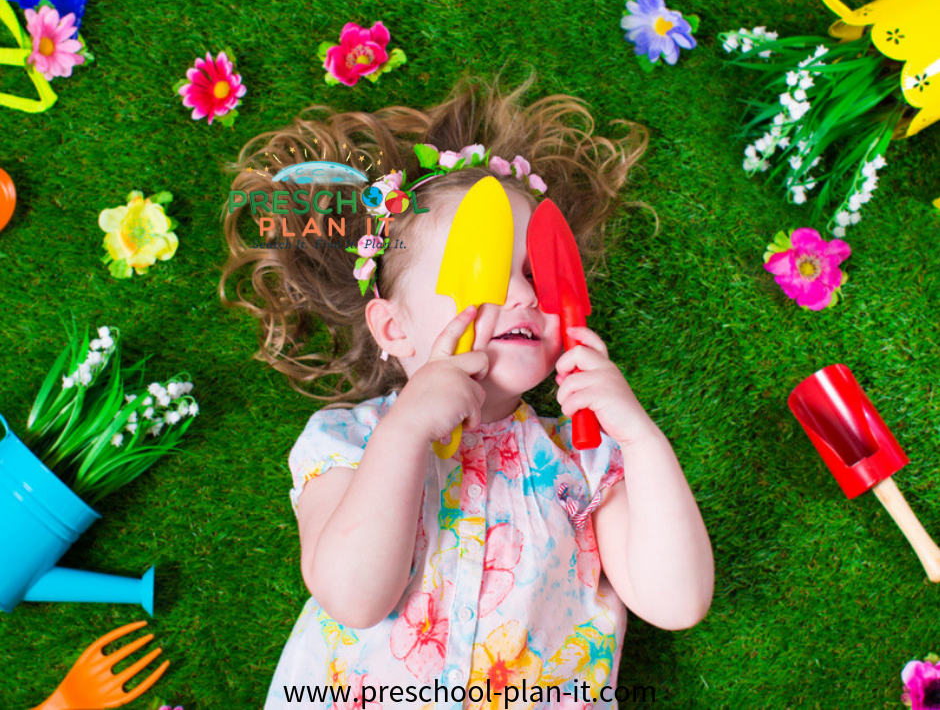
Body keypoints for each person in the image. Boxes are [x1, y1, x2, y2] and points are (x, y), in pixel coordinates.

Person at [220, 79, 714, 709]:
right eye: (484, 270)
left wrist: (640, 438)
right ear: (393, 328)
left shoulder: (588, 458)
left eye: (535, 275)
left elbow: (678, 601)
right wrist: (405, 434)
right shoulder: (350, 443)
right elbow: (352, 595)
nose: (528, 298)